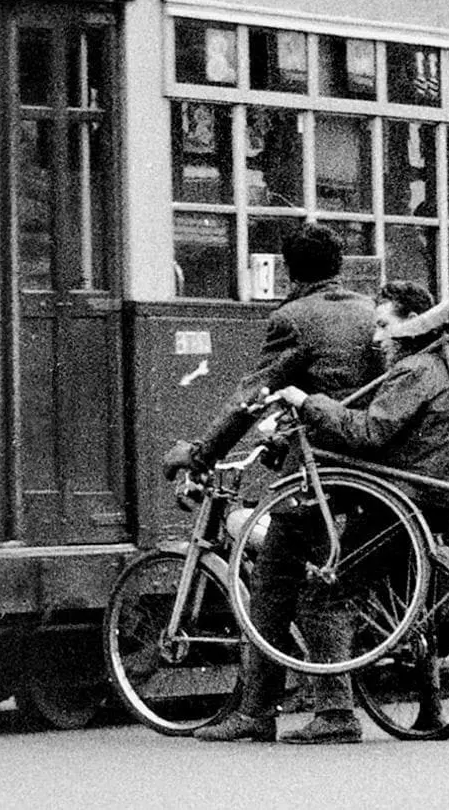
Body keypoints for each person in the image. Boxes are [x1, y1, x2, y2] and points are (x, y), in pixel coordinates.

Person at [159, 222, 376, 745]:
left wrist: (202, 452)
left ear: (286, 269)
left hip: (315, 471)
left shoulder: (292, 319)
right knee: (326, 581)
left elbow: (252, 396)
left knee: (274, 585)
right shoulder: (366, 312)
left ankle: (280, 712)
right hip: (367, 469)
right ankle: (325, 708)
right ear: (339, 265)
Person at [260, 278, 449, 746]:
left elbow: (369, 433)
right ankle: (429, 709)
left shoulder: (414, 371)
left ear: (411, 324)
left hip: (401, 502)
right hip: (436, 504)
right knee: (415, 605)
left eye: (384, 325)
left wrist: (308, 401)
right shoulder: (448, 366)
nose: (376, 337)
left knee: (323, 594)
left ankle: (336, 714)